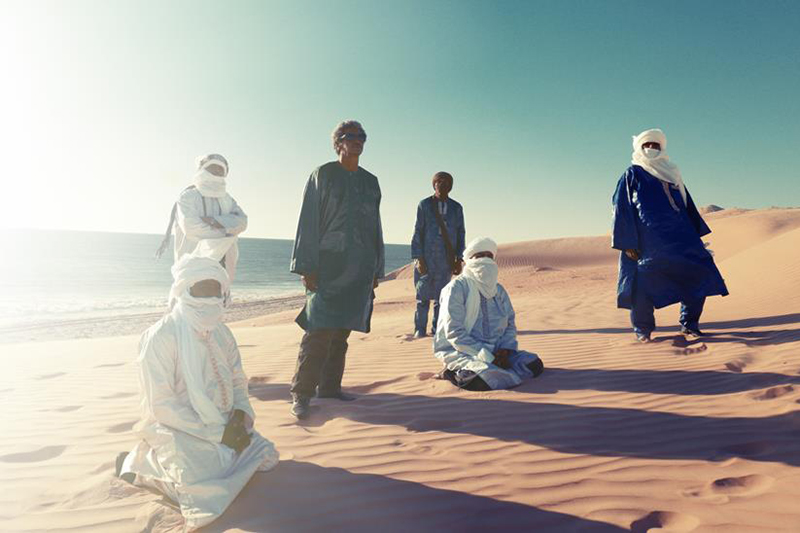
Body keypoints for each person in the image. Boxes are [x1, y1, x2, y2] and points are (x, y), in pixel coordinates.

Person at [116, 252, 279, 530]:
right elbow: (162, 406)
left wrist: (240, 416)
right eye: (202, 289)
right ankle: (139, 468)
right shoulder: (160, 337)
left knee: (265, 454)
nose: (210, 298)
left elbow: (238, 382)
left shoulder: (222, 332)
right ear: (184, 289)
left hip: (227, 423)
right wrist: (218, 434)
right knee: (203, 475)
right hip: (179, 427)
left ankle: (207, 464)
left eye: (216, 290)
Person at [288, 120, 385, 419]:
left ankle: (329, 388)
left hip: (360, 264)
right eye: (350, 137)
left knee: (342, 332)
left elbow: (375, 226)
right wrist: (306, 266)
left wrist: (375, 270)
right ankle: (301, 394)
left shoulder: (371, 181)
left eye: (362, 137)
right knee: (318, 330)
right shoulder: (323, 175)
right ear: (338, 143)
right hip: (327, 263)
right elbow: (308, 220)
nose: (357, 141)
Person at [612, 128, 728, 343]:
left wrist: (696, 236)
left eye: (655, 145)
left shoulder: (673, 174)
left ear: (662, 148)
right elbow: (621, 209)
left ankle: (690, 324)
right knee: (641, 287)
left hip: (682, 240)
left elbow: (686, 207)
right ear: (639, 147)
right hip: (648, 243)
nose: (651, 149)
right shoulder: (632, 174)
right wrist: (626, 242)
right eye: (646, 145)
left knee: (697, 276)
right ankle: (642, 332)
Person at [434, 237, 544, 391]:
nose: (485, 260)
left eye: (489, 256)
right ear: (469, 260)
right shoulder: (457, 288)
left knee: (534, 364)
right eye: (479, 256)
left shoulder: (499, 290)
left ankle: (495, 367)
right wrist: (487, 356)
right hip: (465, 350)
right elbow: (454, 332)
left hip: (499, 351)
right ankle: (451, 372)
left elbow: (510, 324)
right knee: (483, 380)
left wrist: (504, 351)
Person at [155, 153, 247, 282]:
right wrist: (228, 231)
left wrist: (214, 221)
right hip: (191, 267)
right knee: (188, 300)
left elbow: (242, 222)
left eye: (220, 170)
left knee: (221, 300)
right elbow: (192, 229)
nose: (216, 172)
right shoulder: (188, 197)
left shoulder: (227, 200)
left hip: (223, 268)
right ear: (202, 170)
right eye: (212, 168)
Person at [411, 171, 466, 338]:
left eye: (447, 183)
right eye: (439, 182)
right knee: (422, 296)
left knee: (441, 297)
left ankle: (437, 331)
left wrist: (459, 258)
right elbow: (418, 231)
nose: (443, 185)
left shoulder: (456, 208)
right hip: (427, 257)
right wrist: (418, 257)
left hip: (446, 258)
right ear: (434, 184)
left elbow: (460, 233)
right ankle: (419, 330)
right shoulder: (425, 205)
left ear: (451, 186)